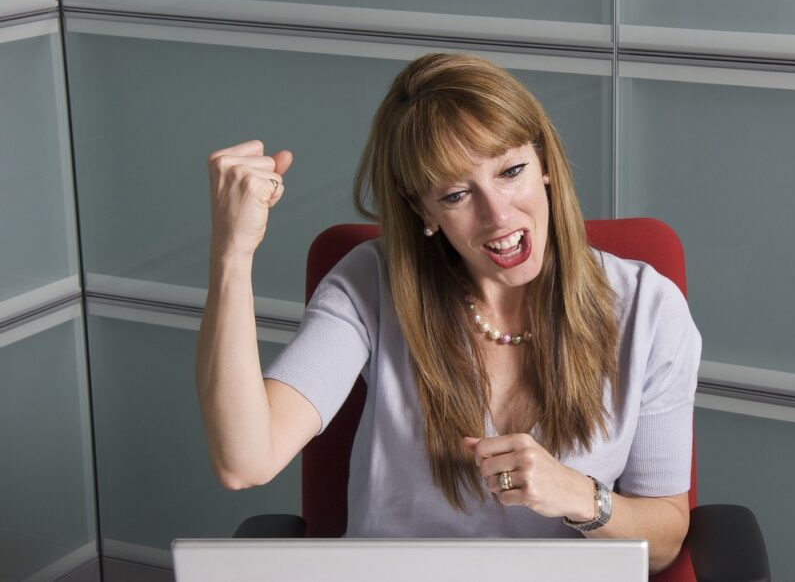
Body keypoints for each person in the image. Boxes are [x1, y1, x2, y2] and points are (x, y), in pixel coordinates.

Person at [196, 53, 700, 572]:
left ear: (544, 161)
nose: (498, 215)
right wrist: (231, 253)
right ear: (424, 212)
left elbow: (663, 540)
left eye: (511, 170)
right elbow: (245, 460)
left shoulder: (649, 309)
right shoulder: (370, 283)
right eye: (457, 194)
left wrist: (579, 496)